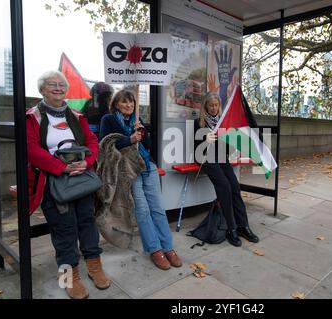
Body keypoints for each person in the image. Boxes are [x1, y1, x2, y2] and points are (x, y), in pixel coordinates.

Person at [26, 71, 110, 299]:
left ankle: (94, 266)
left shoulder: (77, 115)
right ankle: (68, 277)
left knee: (87, 222)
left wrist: (86, 161)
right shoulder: (32, 117)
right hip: (52, 180)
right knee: (64, 229)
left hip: (81, 178)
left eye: (61, 85)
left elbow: (92, 142)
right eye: (51, 84)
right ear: (42, 89)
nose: (57, 88)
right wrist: (60, 167)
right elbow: (31, 149)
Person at [99, 89, 182, 270]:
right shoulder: (109, 120)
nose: (129, 105)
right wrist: (129, 139)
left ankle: (168, 247)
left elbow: (147, 146)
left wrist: (143, 133)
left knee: (158, 208)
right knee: (143, 211)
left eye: (131, 102)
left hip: (148, 167)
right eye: (124, 102)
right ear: (116, 104)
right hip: (130, 171)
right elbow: (106, 146)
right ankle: (154, 249)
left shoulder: (137, 119)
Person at [194, 92, 259, 247]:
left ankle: (243, 225)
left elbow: (228, 149)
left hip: (222, 158)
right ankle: (231, 228)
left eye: (216, 105)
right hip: (207, 159)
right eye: (211, 105)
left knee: (235, 187)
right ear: (206, 106)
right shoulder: (199, 123)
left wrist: (231, 139)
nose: (214, 108)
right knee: (225, 187)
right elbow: (195, 149)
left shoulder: (223, 121)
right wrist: (204, 139)